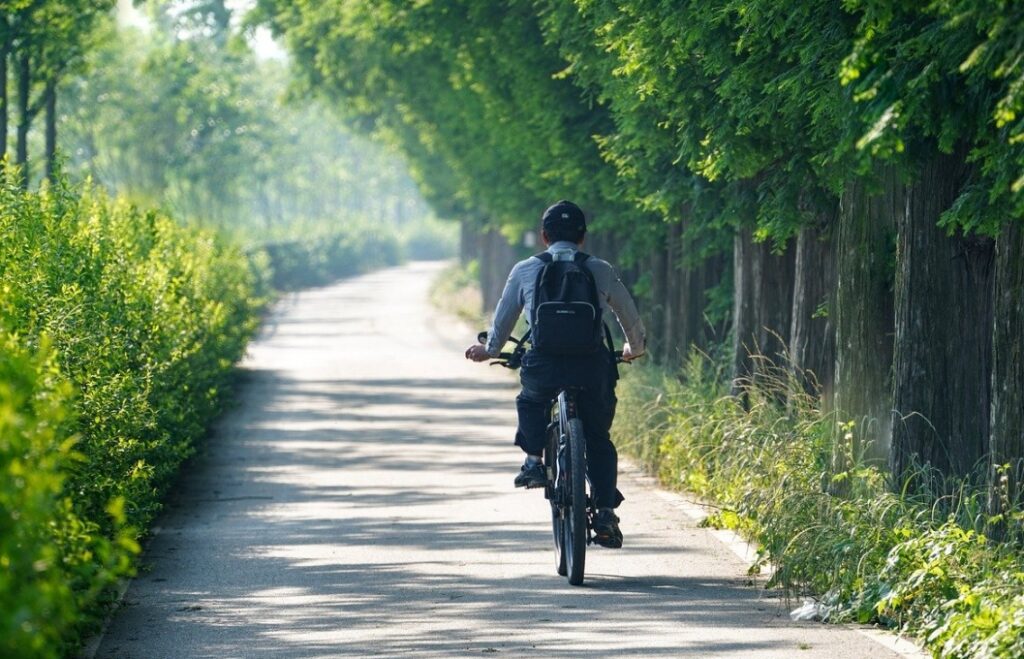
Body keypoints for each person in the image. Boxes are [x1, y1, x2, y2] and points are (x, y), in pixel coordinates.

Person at [465, 200, 646, 548]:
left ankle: (533, 460)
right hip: (592, 366)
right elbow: (628, 313)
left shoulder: (525, 269)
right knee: (598, 436)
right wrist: (633, 349)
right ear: (583, 237)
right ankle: (605, 510)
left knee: (531, 399)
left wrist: (488, 349)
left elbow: (503, 320)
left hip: (544, 364)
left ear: (544, 236)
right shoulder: (600, 268)